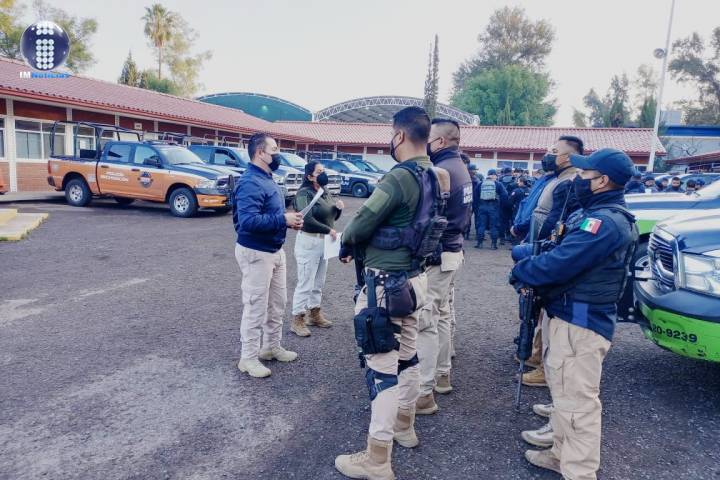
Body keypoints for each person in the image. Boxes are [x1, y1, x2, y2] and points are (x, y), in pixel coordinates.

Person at [510, 148, 638, 480]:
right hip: (569, 313)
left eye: (584, 174)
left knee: (578, 402)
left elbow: (559, 263)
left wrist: (523, 270)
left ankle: (579, 471)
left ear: (602, 181)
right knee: (564, 391)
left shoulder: (604, 223)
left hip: (581, 319)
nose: (578, 179)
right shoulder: (595, 214)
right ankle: (559, 454)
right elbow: (558, 250)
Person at [334, 107, 441, 480]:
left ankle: (377, 459)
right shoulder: (435, 176)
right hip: (414, 281)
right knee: (407, 359)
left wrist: (346, 244)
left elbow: (362, 221)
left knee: (382, 372)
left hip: (384, 285)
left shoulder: (399, 177)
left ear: (399, 136)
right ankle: (404, 427)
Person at [233, 133, 304, 378]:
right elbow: (248, 222)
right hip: (256, 252)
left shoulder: (267, 178)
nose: (278, 154)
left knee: (277, 303)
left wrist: (288, 222)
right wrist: (283, 219)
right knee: (255, 306)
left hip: (274, 250)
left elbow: (269, 215)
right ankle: (248, 358)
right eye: (274, 150)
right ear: (260, 153)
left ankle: (271, 347)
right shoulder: (250, 182)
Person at [415, 118, 472, 415]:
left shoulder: (441, 171)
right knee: (443, 315)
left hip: (439, 254)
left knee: (426, 319)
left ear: (439, 142)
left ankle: (424, 391)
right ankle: (442, 374)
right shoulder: (460, 167)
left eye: (428, 138)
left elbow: (425, 217)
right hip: (453, 251)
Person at [290, 161, 344, 337]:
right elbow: (307, 218)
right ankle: (297, 319)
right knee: (305, 282)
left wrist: (338, 210)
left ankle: (314, 314)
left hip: (324, 243)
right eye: (319, 172)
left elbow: (330, 216)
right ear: (310, 176)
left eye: (323, 171)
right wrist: (328, 230)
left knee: (319, 282)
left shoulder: (324, 191)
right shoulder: (303, 193)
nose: (323, 174)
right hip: (309, 241)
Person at [474, 168, 507, 249]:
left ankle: (479, 244)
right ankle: (493, 245)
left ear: (488, 175)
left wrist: (478, 205)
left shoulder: (481, 183)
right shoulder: (498, 184)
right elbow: (505, 195)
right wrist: (500, 204)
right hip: (494, 207)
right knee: (494, 226)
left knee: (481, 225)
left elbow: (475, 196)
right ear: (495, 175)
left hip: (482, 206)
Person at [464, 157, 480, 240]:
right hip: (474, 201)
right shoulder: (477, 179)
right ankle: (476, 234)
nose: (475, 171)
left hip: (469, 200)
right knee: (475, 218)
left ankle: (467, 234)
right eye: (474, 170)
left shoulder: (465, 178)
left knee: (468, 218)